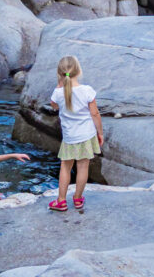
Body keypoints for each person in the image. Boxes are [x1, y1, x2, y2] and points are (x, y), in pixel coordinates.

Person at [48, 55, 104, 212]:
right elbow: (95, 114)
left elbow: (53, 106)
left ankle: (61, 201)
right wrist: (100, 132)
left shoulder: (58, 93)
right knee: (83, 167)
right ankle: (78, 199)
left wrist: (60, 84)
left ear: (60, 74)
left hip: (70, 137)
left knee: (65, 167)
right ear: (79, 71)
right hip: (86, 135)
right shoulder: (87, 91)